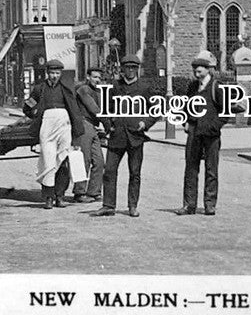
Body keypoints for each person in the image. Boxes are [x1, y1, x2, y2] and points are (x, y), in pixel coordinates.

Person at [92, 54, 159, 218]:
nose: (130, 71)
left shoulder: (144, 88)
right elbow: (105, 110)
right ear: (122, 69)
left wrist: (146, 123)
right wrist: (109, 126)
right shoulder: (114, 87)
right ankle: (108, 205)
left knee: (135, 173)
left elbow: (156, 109)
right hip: (117, 137)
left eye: (134, 68)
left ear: (137, 69)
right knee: (109, 171)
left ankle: (132, 206)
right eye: (127, 68)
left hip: (136, 137)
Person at [23, 59, 85, 209]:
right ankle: (48, 198)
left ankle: (60, 196)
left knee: (63, 161)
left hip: (64, 127)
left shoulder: (66, 89)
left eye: (57, 73)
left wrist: (76, 133)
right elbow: (27, 107)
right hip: (47, 128)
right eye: (51, 73)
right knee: (48, 161)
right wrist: (36, 115)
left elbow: (74, 111)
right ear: (47, 73)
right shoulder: (39, 89)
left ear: (61, 74)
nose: (54, 76)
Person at [176, 51, 228, 216]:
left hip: (211, 135)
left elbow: (226, 113)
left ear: (208, 70)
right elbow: (186, 106)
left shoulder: (216, 87)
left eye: (200, 70)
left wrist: (214, 127)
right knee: (191, 169)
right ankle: (189, 205)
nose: (196, 72)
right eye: (195, 70)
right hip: (194, 133)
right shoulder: (192, 87)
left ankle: (209, 204)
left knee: (211, 170)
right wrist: (186, 121)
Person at [71, 67, 105, 203]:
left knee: (99, 161)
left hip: (93, 127)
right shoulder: (83, 89)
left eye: (99, 78)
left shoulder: (98, 91)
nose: (97, 80)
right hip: (84, 125)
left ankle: (94, 192)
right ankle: (79, 192)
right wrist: (108, 124)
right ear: (88, 77)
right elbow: (94, 109)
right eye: (95, 77)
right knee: (84, 159)